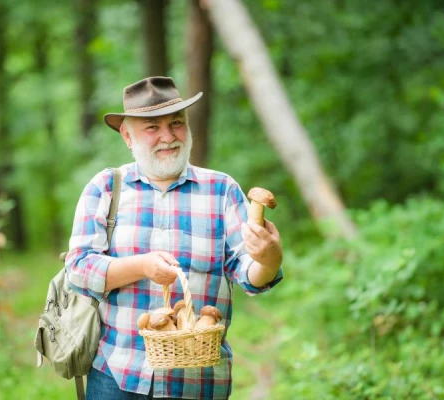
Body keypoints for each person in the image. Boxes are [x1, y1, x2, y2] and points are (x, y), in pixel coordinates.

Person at [65, 76, 283, 399]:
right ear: (127, 135)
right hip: (117, 376)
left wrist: (269, 258)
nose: (168, 137)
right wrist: (142, 266)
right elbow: (79, 270)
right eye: (152, 127)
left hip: (198, 381)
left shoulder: (221, 190)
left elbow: (251, 276)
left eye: (176, 123)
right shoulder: (106, 188)